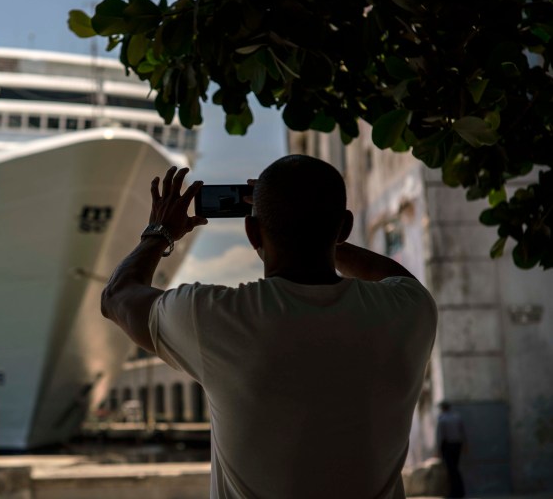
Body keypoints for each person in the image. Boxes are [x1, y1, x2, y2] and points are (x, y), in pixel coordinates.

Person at [101, 155, 438, 498]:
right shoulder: (407, 311)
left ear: (251, 232)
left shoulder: (214, 318)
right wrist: (320, 231)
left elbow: (116, 295)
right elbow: (400, 279)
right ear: (345, 227)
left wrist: (159, 232)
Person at [437, 401, 467, 497]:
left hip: (448, 446)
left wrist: (438, 450)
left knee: (451, 470)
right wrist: (465, 445)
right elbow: (463, 433)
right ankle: (459, 492)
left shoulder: (442, 419)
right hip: (457, 445)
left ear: (442, 408)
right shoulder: (457, 417)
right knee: (455, 468)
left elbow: (440, 436)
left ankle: (455, 492)